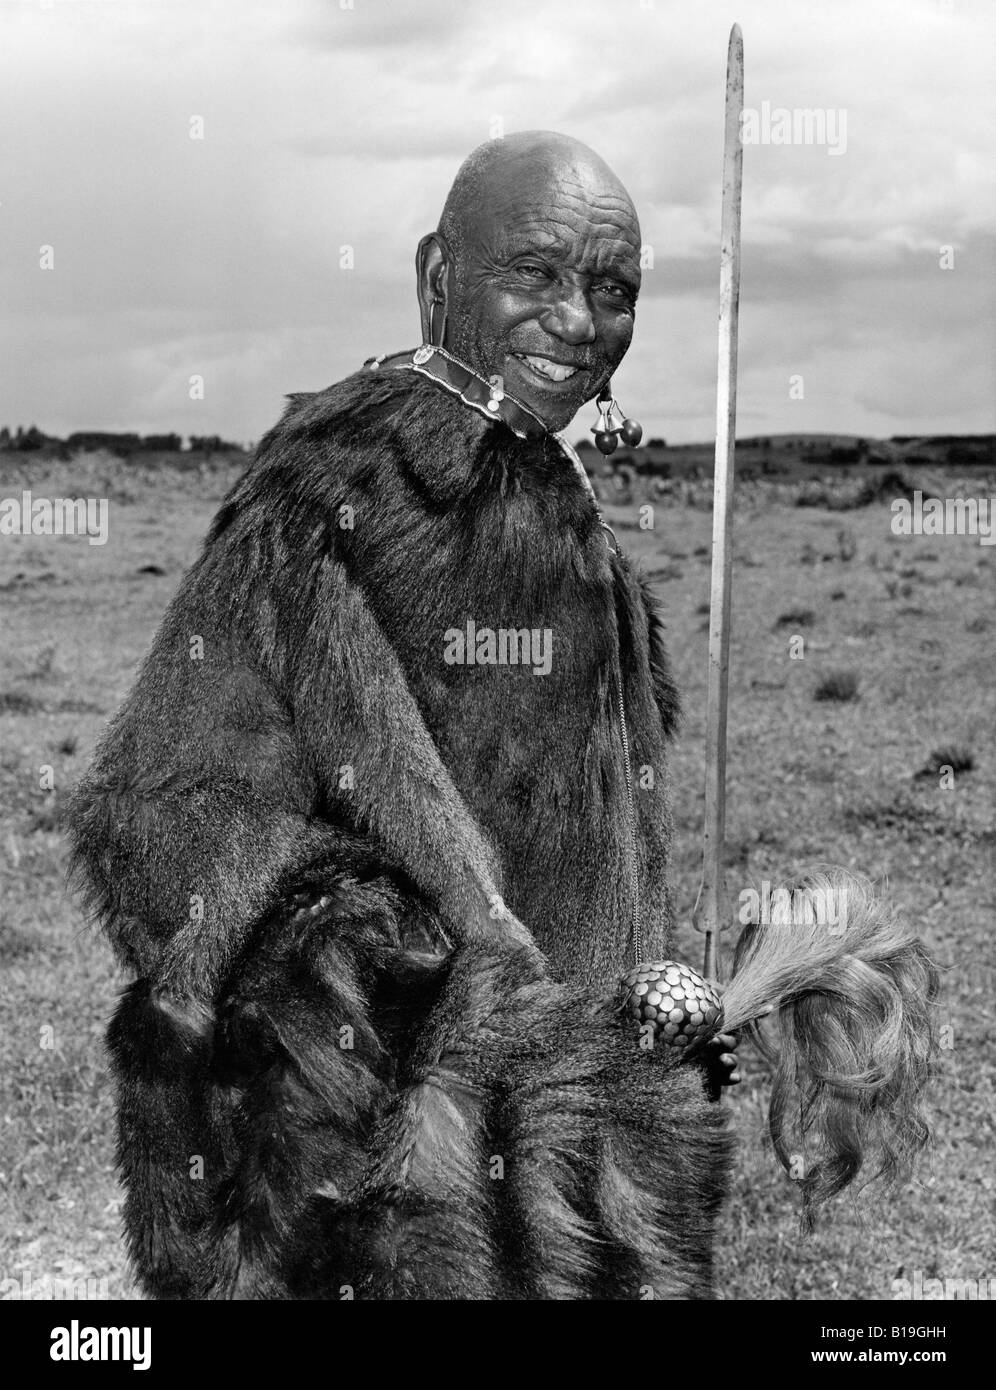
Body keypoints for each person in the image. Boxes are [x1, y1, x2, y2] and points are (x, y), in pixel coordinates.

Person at [67, 131, 739, 1301]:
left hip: (574, 1130)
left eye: (613, 289)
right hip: (375, 1153)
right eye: (534, 273)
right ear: (438, 279)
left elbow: (609, 824)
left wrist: (658, 986)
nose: (579, 324)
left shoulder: (567, 509)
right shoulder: (338, 482)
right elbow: (159, 810)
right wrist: (405, 957)